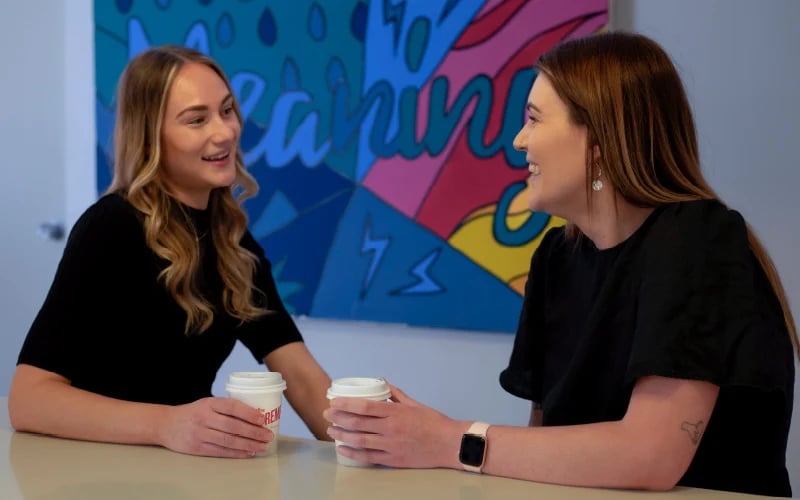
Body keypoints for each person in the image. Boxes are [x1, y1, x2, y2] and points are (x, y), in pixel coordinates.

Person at [323, 32, 797, 497]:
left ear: (600, 139)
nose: (518, 140)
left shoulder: (697, 239)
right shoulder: (557, 259)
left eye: (534, 119)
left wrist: (449, 439)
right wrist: (419, 438)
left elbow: (651, 456)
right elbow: (545, 448)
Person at [8, 45, 333, 458]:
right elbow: (29, 400)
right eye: (197, 119)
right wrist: (166, 424)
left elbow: (301, 377)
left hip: (180, 471)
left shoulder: (233, 244)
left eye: (227, 110)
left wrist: (371, 442)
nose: (225, 132)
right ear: (151, 136)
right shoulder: (111, 227)